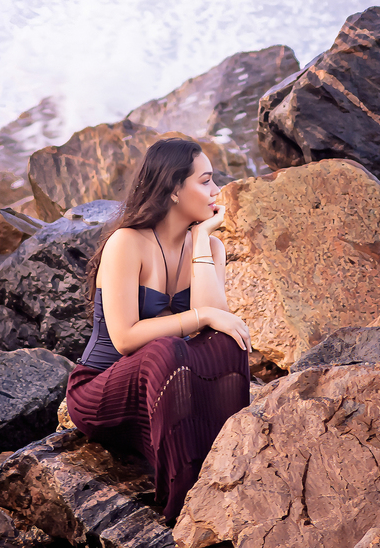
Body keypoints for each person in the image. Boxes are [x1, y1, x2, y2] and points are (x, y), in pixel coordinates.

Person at [65, 137, 252, 522]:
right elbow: (125, 338)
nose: (217, 191)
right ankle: (181, 502)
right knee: (164, 348)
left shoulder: (211, 247)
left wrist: (201, 240)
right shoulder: (127, 242)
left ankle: (230, 469)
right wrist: (199, 318)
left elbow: (214, 329)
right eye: (205, 181)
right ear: (172, 189)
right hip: (100, 391)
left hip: (163, 392)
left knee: (229, 344)